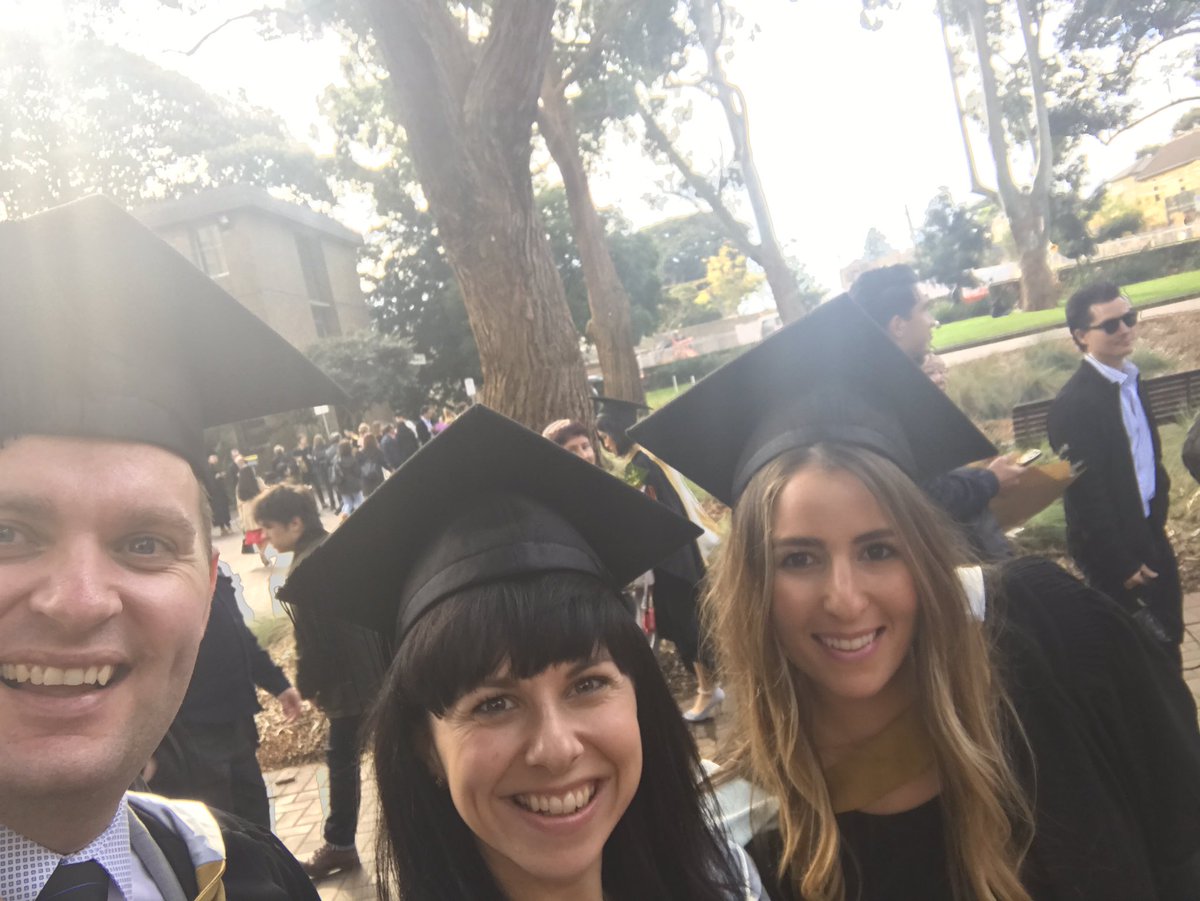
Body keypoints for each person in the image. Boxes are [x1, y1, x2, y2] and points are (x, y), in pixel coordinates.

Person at [631, 295, 1200, 900]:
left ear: (925, 555)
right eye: (798, 559)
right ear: (752, 584)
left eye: (879, 550)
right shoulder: (750, 839)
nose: (845, 600)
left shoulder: (1047, 629)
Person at [279, 405, 764, 901]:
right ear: (426, 748)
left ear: (639, 698)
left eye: (588, 684)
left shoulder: (732, 885)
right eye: (493, 704)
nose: (556, 750)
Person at [0, 195, 342, 897]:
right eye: (6, 534)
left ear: (208, 587)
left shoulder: (255, 878)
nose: (79, 601)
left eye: (145, 542)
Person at [254, 484, 387, 880]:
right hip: (377, 671)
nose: (265, 537)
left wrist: (306, 687)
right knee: (391, 752)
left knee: (343, 761)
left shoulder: (304, 569)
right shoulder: (339, 547)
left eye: (269, 527)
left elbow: (310, 642)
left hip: (350, 683)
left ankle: (341, 844)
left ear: (295, 523)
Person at [1048, 282, 1184, 662]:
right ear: (1081, 336)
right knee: (1138, 658)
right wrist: (1119, 561)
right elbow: (1085, 493)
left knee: (1169, 640)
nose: (1125, 329)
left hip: (1148, 530)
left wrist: (1156, 515)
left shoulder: (1130, 381)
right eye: (1110, 325)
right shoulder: (1074, 405)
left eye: (1129, 318)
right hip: (1113, 551)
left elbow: (1149, 459)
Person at [850, 264, 1022, 562]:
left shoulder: (876, 390)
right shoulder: (894, 400)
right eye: (924, 310)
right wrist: (990, 481)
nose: (933, 322)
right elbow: (924, 495)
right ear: (898, 325)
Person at [594, 397, 723, 722]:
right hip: (675, 555)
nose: (605, 444)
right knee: (684, 623)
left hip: (672, 560)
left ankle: (708, 690)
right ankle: (709, 687)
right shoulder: (644, 459)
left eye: (606, 436)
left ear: (618, 431)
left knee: (687, 625)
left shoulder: (641, 464)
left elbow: (638, 509)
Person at [149, 561, 302, 830]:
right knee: (216, 827)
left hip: (237, 720)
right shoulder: (155, 583)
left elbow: (240, 637)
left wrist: (278, 685)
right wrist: (147, 747)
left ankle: (262, 857)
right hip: (191, 731)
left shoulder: (215, 576)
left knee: (254, 813)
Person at [235, 461, 270, 566]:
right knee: (267, 532)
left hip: (247, 514)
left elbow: (239, 504)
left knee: (257, 536)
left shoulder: (239, 486)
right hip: (258, 509)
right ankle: (263, 551)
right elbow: (266, 491)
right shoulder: (257, 481)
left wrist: (241, 519)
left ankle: (262, 553)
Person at [332, 438, 365, 519]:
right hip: (355, 485)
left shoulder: (337, 461)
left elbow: (336, 475)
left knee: (347, 503)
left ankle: (345, 515)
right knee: (359, 501)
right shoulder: (353, 459)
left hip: (343, 486)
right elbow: (358, 472)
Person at [207, 453, 234, 535]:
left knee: (224, 510)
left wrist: (222, 475)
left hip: (221, 493)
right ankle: (223, 528)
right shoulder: (209, 469)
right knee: (219, 512)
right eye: (213, 457)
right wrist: (216, 477)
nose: (215, 459)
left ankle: (228, 526)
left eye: (216, 457)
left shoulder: (218, 466)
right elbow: (209, 479)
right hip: (215, 494)